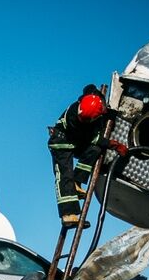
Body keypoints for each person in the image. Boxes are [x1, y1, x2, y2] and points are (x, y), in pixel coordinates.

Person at [48, 84, 127, 228]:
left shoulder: (91, 101)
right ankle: (68, 216)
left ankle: (77, 182)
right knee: (65, 176)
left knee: (95, 150)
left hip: (74, 142)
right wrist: (114, 145)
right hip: (61, 144)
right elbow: (93, 139)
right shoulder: (75, 119)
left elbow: (89, 88)